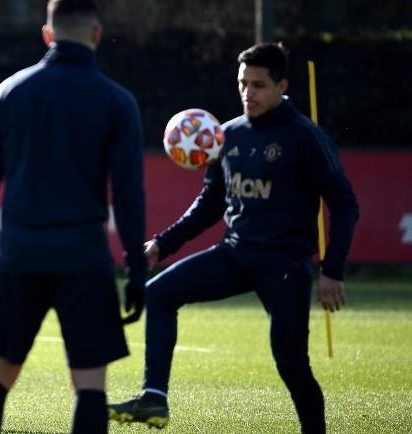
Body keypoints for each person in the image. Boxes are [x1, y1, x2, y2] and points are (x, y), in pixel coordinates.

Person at [108, 42, 360, 433]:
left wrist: (333, 269)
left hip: (285, 265)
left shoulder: (305, 137)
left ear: (282, 86)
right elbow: (208, 207)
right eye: (243, 83)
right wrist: (162, 244)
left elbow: (344, 204)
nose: (248, 92)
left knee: (291, 363)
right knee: (159, 293)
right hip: (235, 256)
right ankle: (154, 398)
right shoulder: (226, 136)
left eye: (259, 84)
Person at [0, 1, 148, 433]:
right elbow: (129, 197)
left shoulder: (10, 92)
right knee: (90, 387)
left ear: (47, 34)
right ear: (97, 34)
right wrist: (137, 270)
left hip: (21, 257)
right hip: (85, 259)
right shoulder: (117, 101)